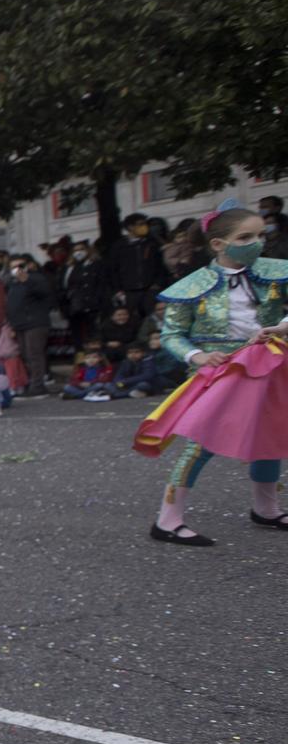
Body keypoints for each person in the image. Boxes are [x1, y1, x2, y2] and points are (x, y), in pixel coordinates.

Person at [146, 207, 288, 546]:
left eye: (260, 236)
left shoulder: (276, 273)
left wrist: (284, 327)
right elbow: (171, 335)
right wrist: (200, 355)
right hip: (217, 370)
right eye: (245, 238)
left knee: (271, 435)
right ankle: (167, 521)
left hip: (269, 362)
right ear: (218, 244)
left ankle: (266, 509)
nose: (256, 243)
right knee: (201, 443)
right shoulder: (191, 287)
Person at [5, 256, 56, 396]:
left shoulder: (36, 278)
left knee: (34, 354)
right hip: (19, 323)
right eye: (13, 266)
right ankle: (30, 383)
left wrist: (27, 280)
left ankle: (38, 385)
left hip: (35, 322)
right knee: (25, 355)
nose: (17, 269)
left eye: (20, 265)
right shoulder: (12, 283)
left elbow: (45, 293)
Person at [105, 213, 166, 319]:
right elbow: (113, 270)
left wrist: (157, 284)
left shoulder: (151, 244)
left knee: (152, 318)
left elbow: (160, 266)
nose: (144, 227)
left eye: (144, 224)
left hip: (150, 290)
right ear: (130, 227)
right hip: (129, 292)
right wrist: (117, 290)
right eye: (140, 224)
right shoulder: (119, 246)